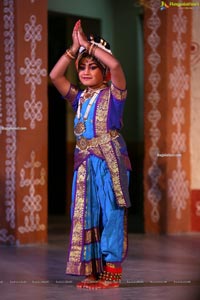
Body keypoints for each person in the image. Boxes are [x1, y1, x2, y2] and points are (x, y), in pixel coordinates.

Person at [49, 19, 132, 290]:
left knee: (111, 214)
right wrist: (74, 49)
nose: (85, 71)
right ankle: (95, 270)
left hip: (110, 162)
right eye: (82, 67)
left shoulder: (114, 94)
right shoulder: (79, 97)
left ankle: (112, 272)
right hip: (85, 164)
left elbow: (117, 65)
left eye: (92, 66)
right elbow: (54, 76)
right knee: (87, 215)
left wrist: (89, 45)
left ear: (104, 72)